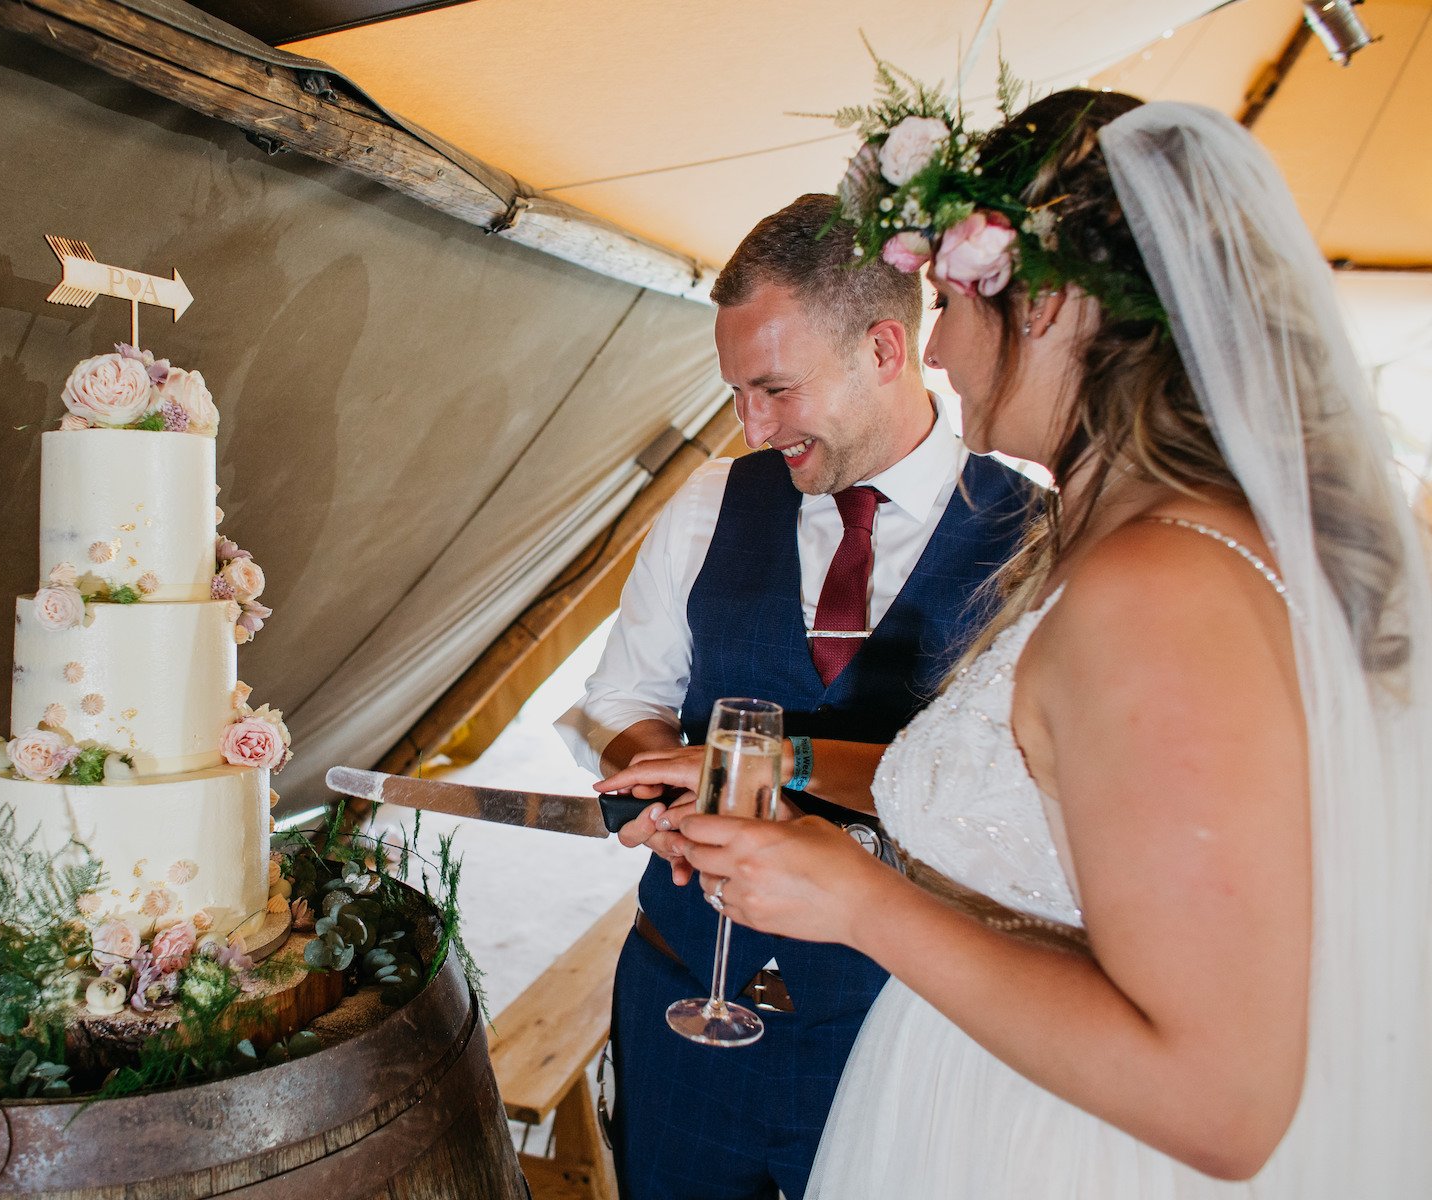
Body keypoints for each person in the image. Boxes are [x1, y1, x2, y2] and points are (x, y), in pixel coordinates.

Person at [641, 87, 1432, 1197]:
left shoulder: (1157, 590)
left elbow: (1221, 1100)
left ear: (1050, 305)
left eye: (958, 308)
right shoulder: (1168, 544)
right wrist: (799, 768)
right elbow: (1058, 804)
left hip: (1051, 1148)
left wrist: (861, 902)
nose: (946, 352)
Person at [557, 195, 1035, 1199]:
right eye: (735, 392)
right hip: (687, 999)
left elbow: (1038, 797)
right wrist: (658, 779)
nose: (751, 425)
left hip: (903, 1027)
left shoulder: (1038, 538)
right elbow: (617, 701)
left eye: (774, 388)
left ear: (884, 348)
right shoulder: (706, 505)